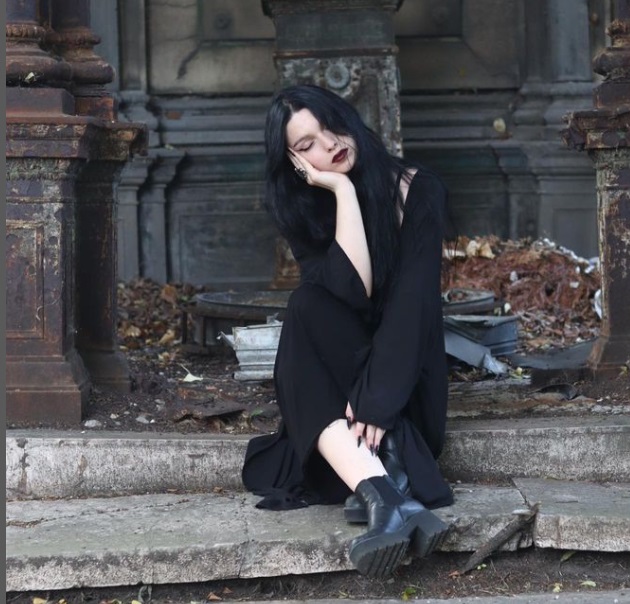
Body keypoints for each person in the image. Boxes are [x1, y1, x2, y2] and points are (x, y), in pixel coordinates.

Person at [242, 84, 454, 579]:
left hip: (401, 388)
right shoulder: (301, 206)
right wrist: (342, 192)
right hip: (345, 394)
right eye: (307, 144)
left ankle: (384, 489)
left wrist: (379, 399)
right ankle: (387, 495)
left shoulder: (417, 189)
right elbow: (350, 294)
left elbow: (413, 309)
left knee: (308, 312)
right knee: (306, 304)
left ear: (349, 119)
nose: (329, 143)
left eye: (331, 126)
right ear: (295, 162)